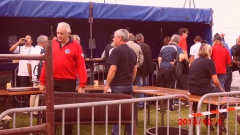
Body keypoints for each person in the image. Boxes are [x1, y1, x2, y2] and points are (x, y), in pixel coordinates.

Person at [40, 22, 87, 135]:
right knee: (51, 109)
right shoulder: (51, 44)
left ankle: (67, 133)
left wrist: (82, 85)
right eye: (57, 33)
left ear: (68, 33)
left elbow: (81, 65)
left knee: (68, 112)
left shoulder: (76, 45)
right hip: (52, 81)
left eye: (62, 33)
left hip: (68, 83)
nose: (59, 36)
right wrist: (42, 82)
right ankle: (51, 132)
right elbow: (46, 64)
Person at [104, 29, 137, 135]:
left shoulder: (116, 51)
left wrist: (107, 84)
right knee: (129, 113)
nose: (113, 39)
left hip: (118, 86)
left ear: (120, 38)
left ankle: (115, 134)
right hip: (129, 86)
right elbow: (135, 69)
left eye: (114, 36)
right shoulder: (132, 52)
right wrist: (130, 81)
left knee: (116, 113)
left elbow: (113, 69)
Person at [188, 43, 225, 130]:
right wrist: (220, 88)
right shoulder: (209, 62)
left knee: (213, 96)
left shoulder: (195, 61)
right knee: (223, 95)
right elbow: (215, 80)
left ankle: (209, 120)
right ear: (209, 51)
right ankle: (219, 122)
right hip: (202, 89)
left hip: (192, 88)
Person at [157, 34, 184, 110]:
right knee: (171, 87)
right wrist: (176, 63)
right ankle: (170, 106)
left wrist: (160, 66)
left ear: (171, 40)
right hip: (170, 70)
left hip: (162, 69)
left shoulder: (164, 47)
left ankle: (160, 106)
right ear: (178, 41)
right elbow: (182, 58)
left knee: (161, 88)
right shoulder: (177, 48)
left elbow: (159, 58)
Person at [9, 35, 34, 107]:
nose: (27, 39)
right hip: (22, 73)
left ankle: (31, 106)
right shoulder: (20, 48)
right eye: (25, 38)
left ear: (32, 41)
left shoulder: (34, 49)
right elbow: (11, 50)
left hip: (32, 73)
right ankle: (24, 106)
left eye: (29, 38)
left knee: (32, 90)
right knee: (24, 90)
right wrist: (19, 42)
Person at [27, 35, 48, 115]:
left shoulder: (31, 50)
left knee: (33, 94)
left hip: (33, 74)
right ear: (43, 43)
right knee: (39, 93)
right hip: (40, 75)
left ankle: (31, 110)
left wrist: (30, 74)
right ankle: (35, 112)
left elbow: (28, 64)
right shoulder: (43, 51)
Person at [134, 33, 154, 108]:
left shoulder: (137, 46)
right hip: (147, 69)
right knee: (145, 85)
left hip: (140, 69)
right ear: (143, 38)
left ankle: (141, 103)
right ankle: (146, 101)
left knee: (140, 86)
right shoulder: (147, 46)